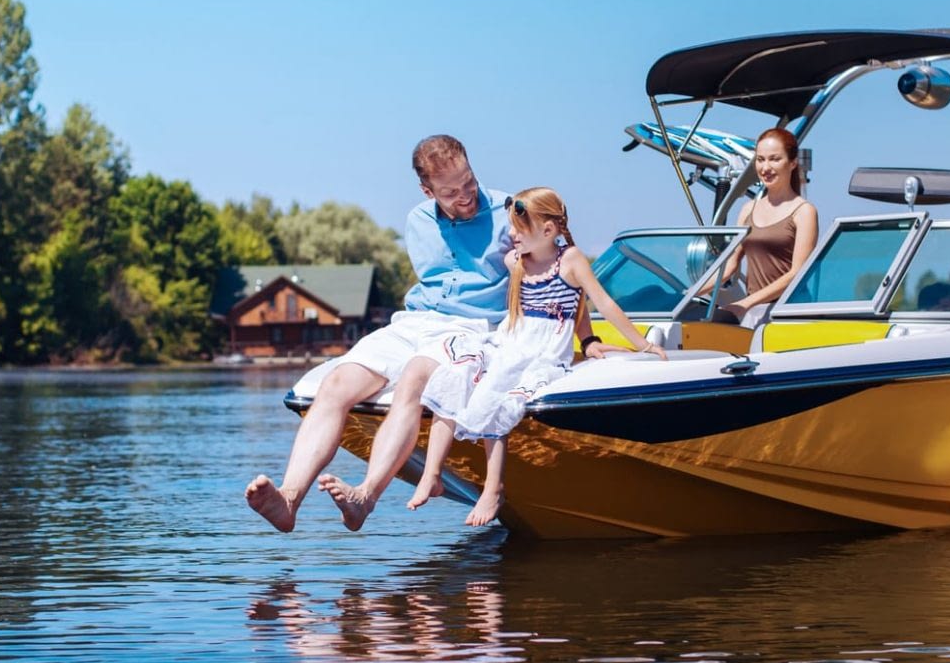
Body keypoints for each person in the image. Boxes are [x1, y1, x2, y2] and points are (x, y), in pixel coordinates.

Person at [246, 135, 511, 532]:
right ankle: (289, 497)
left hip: (471, 326)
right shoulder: (418, 220)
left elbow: (559, 256)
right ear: (427, 190)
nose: (465, 196)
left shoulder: (510, 211)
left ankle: (365, 496)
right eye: (450, 192)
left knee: (412, 381)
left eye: (469, 183)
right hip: (415, 321)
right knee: (336, 383)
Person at [405, 187, 664, 526]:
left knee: (499, 397)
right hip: (512, 341)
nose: (510, 235)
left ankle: (493, 486)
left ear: (548, 230)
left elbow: (595, 302)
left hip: (543, 351)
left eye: (518, 228)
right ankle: (433, 473)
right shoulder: (516, 262)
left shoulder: (569, 259)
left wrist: (637, 345)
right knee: (457, 378)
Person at [705, 128, 819, 325]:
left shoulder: (804, 212)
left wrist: (744, 304)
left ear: (792, 163)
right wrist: (687, 295)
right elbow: (729, 266)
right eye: (760, 159)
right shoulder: (747, 209)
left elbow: (796, 274)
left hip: (789, 314)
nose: (765, 167)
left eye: (774, 159)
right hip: (755, 312)